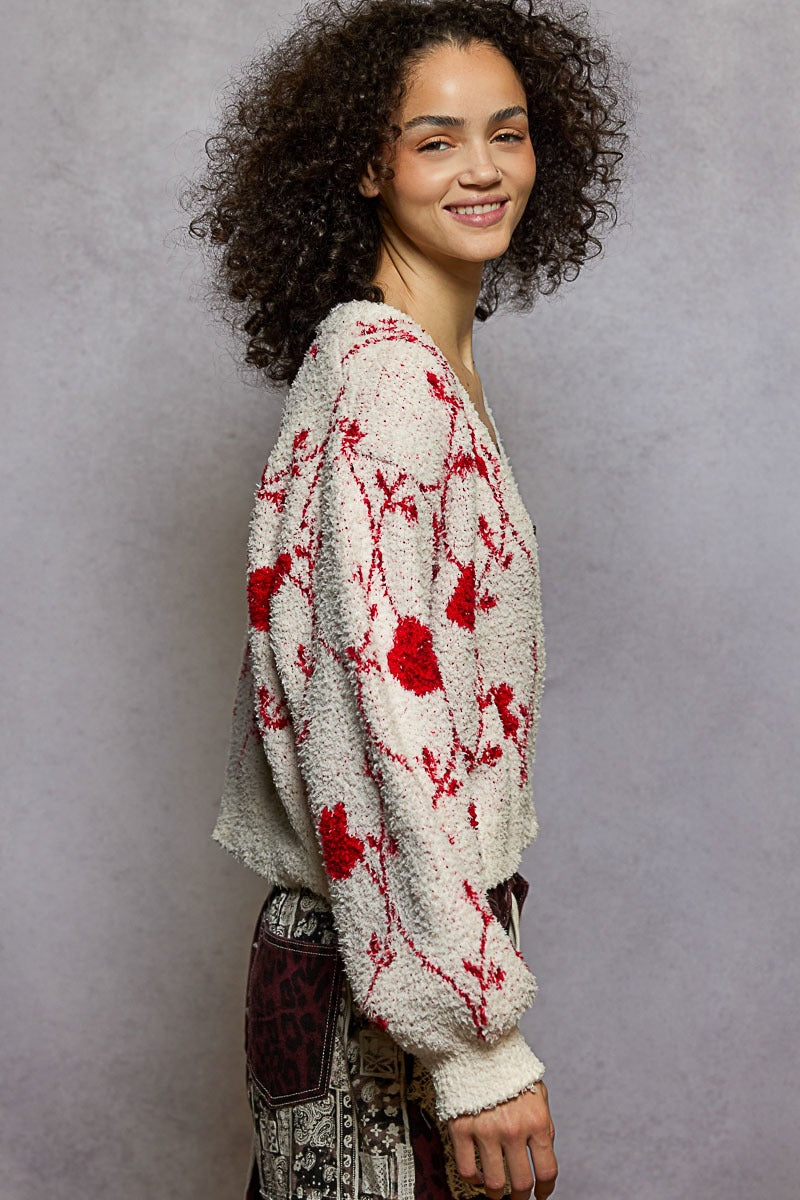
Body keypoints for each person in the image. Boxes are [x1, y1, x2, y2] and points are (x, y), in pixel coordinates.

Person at [184, 2, 631, 1197]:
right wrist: (473, 1042)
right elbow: (375, 726)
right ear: (366, 165)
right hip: (375, 983)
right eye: (435, 140)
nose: (483, 169)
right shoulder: (385, 389)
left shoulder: (425, 371)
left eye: (508, 131)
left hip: (395, 958)